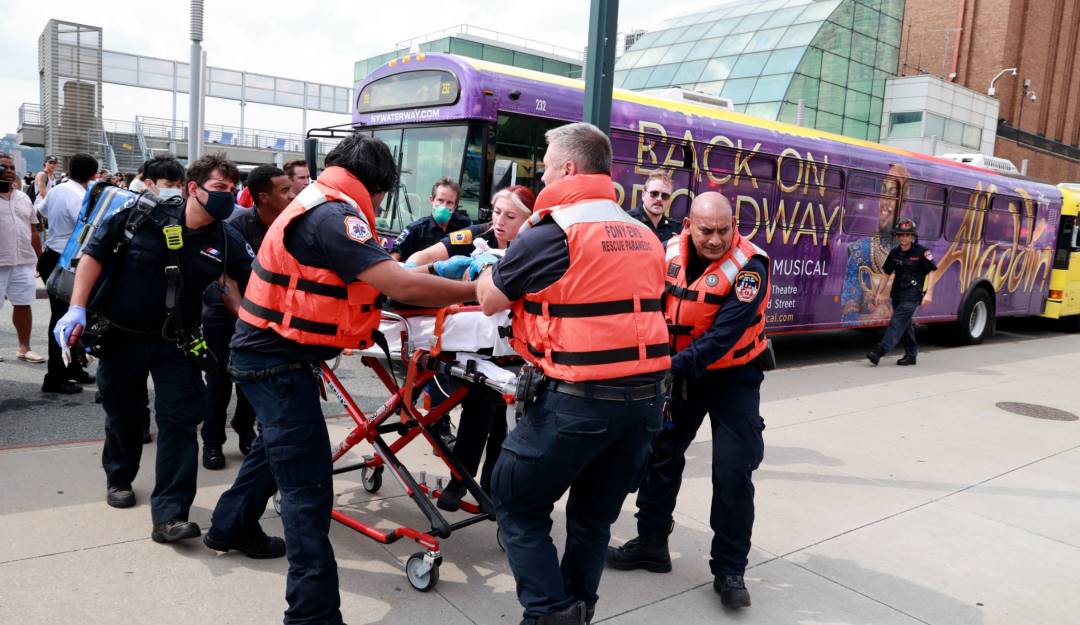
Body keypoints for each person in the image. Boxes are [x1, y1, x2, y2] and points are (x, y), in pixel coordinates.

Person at [205, 134, 478, 625]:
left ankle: (229, 526)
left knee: (275, 452)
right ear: (377, 187)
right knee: (308, 493)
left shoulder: (320, 202)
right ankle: (312, 616)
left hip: (269, 355)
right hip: (276, 362)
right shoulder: (336, 215)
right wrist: (478, 288)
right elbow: (400, 283)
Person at [474, 122, 670, 625]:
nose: (540, 177)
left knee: (516, 500)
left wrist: (489, 269)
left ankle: (550, 614)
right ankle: (580, 608)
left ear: (567, 168)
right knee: (593, 518)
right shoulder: (644, 233)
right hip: (646, 402)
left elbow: (491, 298)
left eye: (545, 168)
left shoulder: (553, 230)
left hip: (578, 398)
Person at [54, 153, 254, 544]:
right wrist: (77, 307)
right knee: (125, 414)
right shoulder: (141, 215)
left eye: (232, 189)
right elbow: (94, 256)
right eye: (219, 187)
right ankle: (119, 477)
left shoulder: (226, 239)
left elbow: (243, 284)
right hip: (121, 337)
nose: (227, 196)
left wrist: (256, 323)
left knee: (180, 421)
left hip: (176, 343)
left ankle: (170, 515)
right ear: (193, 188)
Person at [606, 192, 770, 610]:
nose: (716, 239)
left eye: (724, 230)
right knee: (660, 455)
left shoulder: (750, 268)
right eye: (706, 230)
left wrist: (663, 367)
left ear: (734, 226)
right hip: (679, 374)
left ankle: (729, 569)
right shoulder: (666, 253)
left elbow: (722, 338)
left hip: (732, 377)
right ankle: (651, 544)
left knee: (732, 470)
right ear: (688, 226)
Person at [405, 185, 536, 512]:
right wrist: (442, 271)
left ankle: (491, 485)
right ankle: (460, 479)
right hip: (473, 342)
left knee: (504, 415)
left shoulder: (535, 246)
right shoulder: (477, 236)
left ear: (528, 220)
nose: (500, 221)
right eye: (497, 212)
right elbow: (417, 260)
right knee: (480, 403)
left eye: (510, 216)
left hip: (516, 345)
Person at [200, 165, 294, 469]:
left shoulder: (291, 225)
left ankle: (244, 427)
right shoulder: (235, 227)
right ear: (263, 197)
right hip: (225, 310)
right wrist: (246, 316)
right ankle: (212, 441)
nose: (292, 195)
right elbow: (226, 281)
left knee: (253, 376)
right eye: (284, 190)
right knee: (219, 379)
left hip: (263, 312)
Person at [38, 153, 99, 393]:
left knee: (67, 315)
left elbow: (42, 211)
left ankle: (71, 368)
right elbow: (88, 228)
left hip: (51, 255)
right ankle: (55, 377)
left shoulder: (57, 190)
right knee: (64, 318)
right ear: (93, 174)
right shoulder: (80, 196)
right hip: (66, 261)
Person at [866, 218, 937, 366]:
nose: (904, 237)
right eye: (901, 234)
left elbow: (932, 271)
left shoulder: (922, 252)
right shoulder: (894, 253)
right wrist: (879, 293)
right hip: (897, 294)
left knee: (897, 322)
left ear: (912, 236)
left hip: (912, 295)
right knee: (905, 325)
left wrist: (929, 293)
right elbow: (886, 274)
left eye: (908, 234)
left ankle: (880, 351)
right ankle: (911, 355)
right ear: (897, 236)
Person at [0, 152, 45, 363]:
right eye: (3, 167)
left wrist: (40, 258)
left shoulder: (23, 197)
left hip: (23, 261)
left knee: (24, 304)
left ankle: (24, 348)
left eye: (11, 167)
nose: (9, 171)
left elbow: (33, 230)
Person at [390, 177, 470, 261]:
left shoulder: (464, 226)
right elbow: (394, 255)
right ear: (432, 200)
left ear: (455, 206)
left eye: (449, 203)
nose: (444, 206)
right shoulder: (416, 229)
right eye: (440, 200)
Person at [628, 172, 681, 243]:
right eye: (654, 193)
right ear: (643, 195)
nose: (659, 199)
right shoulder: (627, 221)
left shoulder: (676, 228)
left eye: (665, 196)